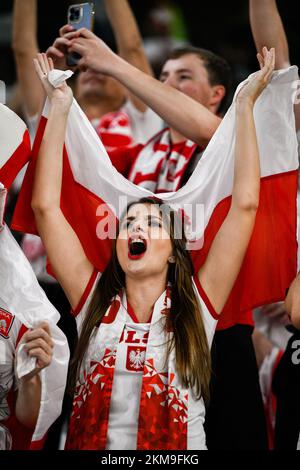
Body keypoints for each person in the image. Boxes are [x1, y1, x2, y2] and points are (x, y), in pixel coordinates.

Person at [29, 47, 275, 449]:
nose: (136, 229)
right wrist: (59, 106)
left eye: (151, 224)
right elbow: (45, 206)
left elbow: (245, 205)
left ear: (175, 251)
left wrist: (243, 106)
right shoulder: (91, 299)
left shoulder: (199, 304)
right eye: (129, 224)